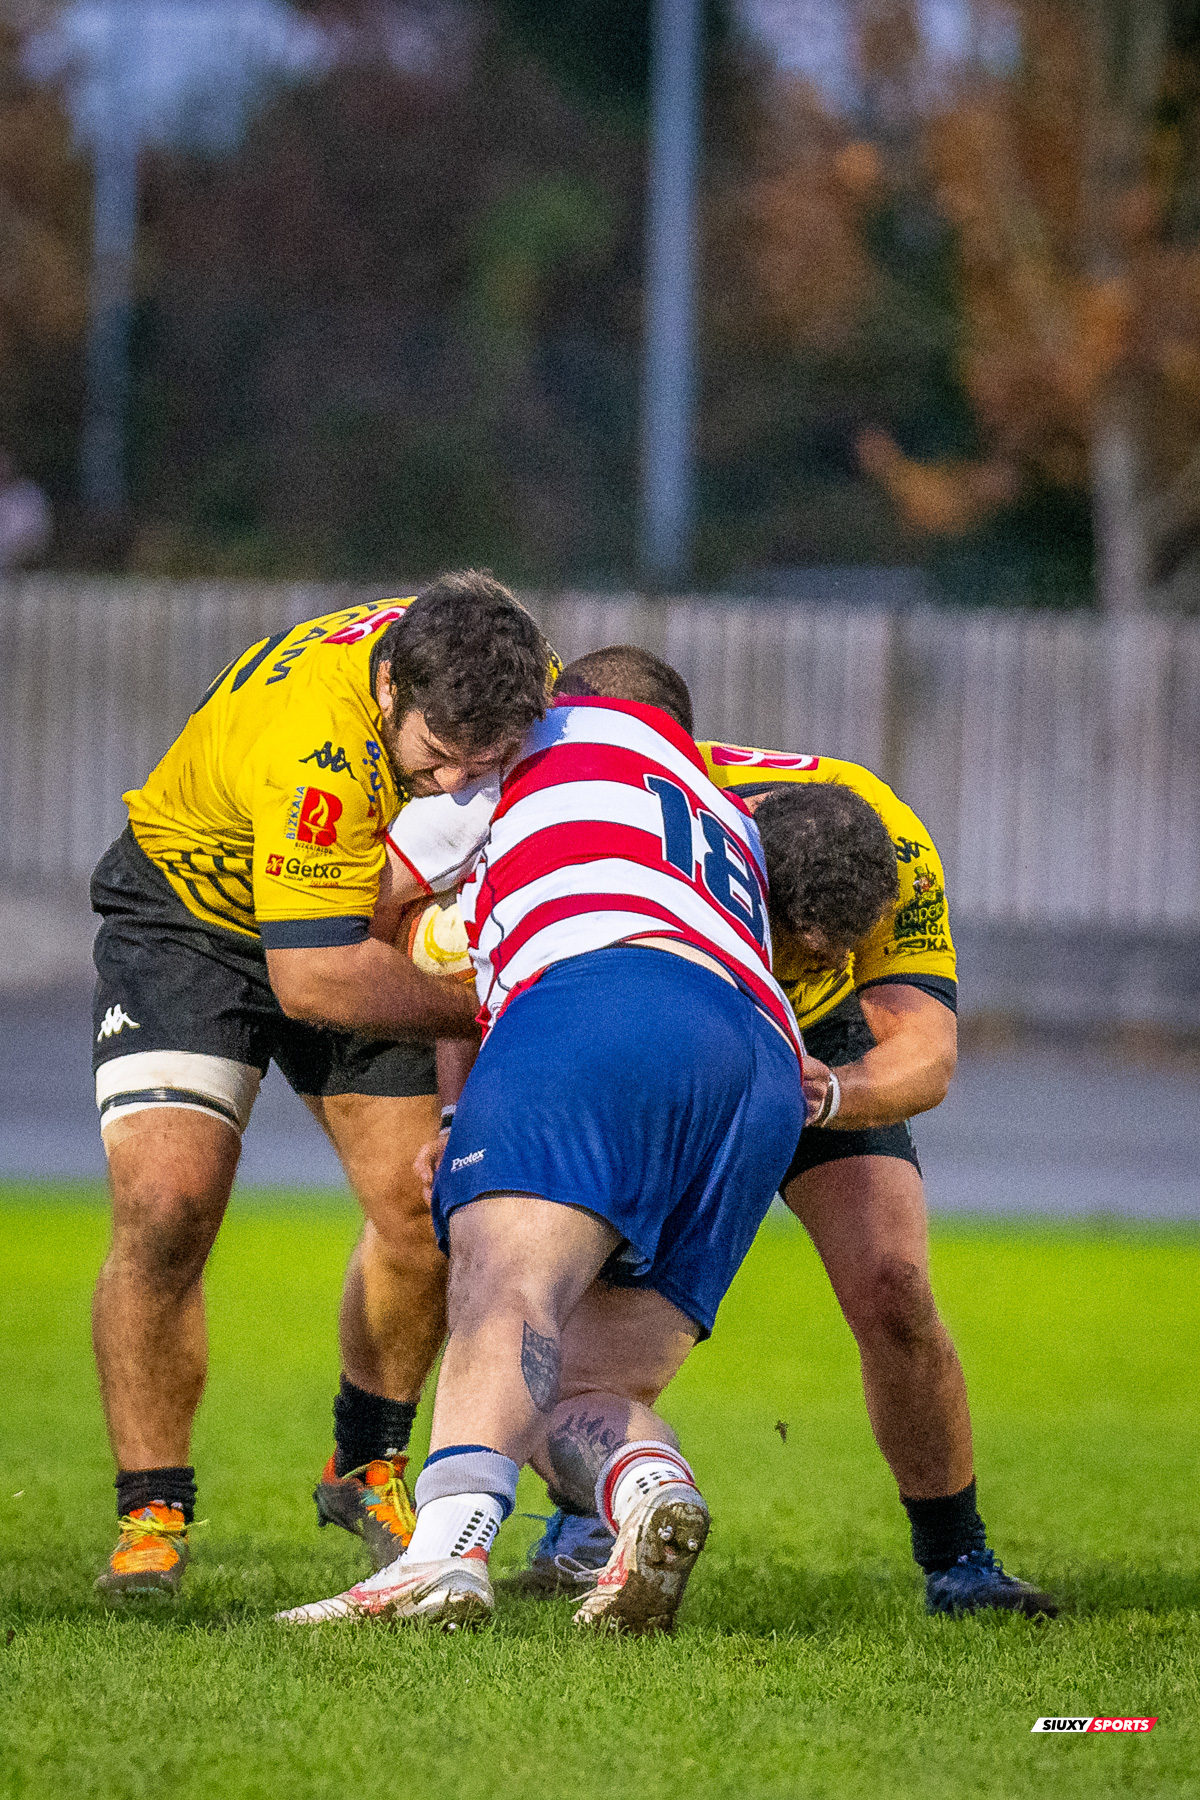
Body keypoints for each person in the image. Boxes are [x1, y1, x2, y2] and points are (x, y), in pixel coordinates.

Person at [276, 649, 901, 1634]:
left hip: (603, 1002)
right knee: (578, 1383)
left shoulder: (537, 746)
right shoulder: (729, 812)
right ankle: (651, 1493)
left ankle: (442, 1555)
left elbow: (368, 895)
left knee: (504, 1289)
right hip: (761, 1067)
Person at [513, 723, 1057, 1618]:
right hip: (674, 1009)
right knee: (593, 1287)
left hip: (817, 1045)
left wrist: (832, 1091)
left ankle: (961, 1564)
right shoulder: (640, 816)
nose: (825, 966)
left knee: (893, 1284)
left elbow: (927, 1050)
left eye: (843, 951)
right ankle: (581, 1528)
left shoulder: (896, 849)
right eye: (807, 950)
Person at [89, 570, 553, 1602]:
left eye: (482, 764)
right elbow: (315, 979)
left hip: (353, 920)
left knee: (426, 1208)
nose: (455, 785)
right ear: (390, 690)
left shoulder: (508, 673)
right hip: (194, 923)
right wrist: (493, 1003)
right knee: (167, 1204)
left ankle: (365, 1464)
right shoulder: (318, 745)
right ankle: (151, 1513)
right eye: (437, 758)